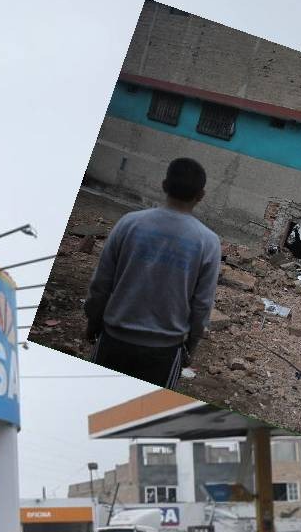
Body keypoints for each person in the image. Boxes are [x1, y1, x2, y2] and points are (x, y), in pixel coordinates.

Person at [83, 157, 222, 388]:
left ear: (164, 185)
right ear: (201, 195)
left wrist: (93, 322)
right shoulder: (208, 242)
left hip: (114, 340)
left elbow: (101, 283)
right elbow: (202, 304)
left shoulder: (129, 224)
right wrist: (191, 345)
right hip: (164, 352)